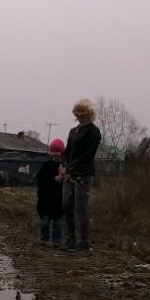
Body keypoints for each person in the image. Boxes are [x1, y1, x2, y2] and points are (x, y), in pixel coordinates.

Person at [61, 98, 102, 253]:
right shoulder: (73, 131)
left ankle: (84, 242)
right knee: (67, 207)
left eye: (83, 111)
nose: (80, 113)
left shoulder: (94, 131)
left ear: (89, 112)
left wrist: (70, 167)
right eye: (77, 111)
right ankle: (70, 240)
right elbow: (67, 152)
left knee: (80, 208)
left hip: (83, 175)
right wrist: (65, 165)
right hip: (69, 174)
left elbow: (88, 154)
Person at [36, 138, 65, 247]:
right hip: (46, 199)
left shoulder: (64, 166)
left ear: (61, 152)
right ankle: (44, 239)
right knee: (45, 222)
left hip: (59, 200)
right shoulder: (46, 165)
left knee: (58, 223)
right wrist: (54, 179)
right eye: (53, 151)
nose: (55, 153)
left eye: (57, 151)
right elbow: (41, 180)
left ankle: (56, 241)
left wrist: (64, 177)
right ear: (50, 152)